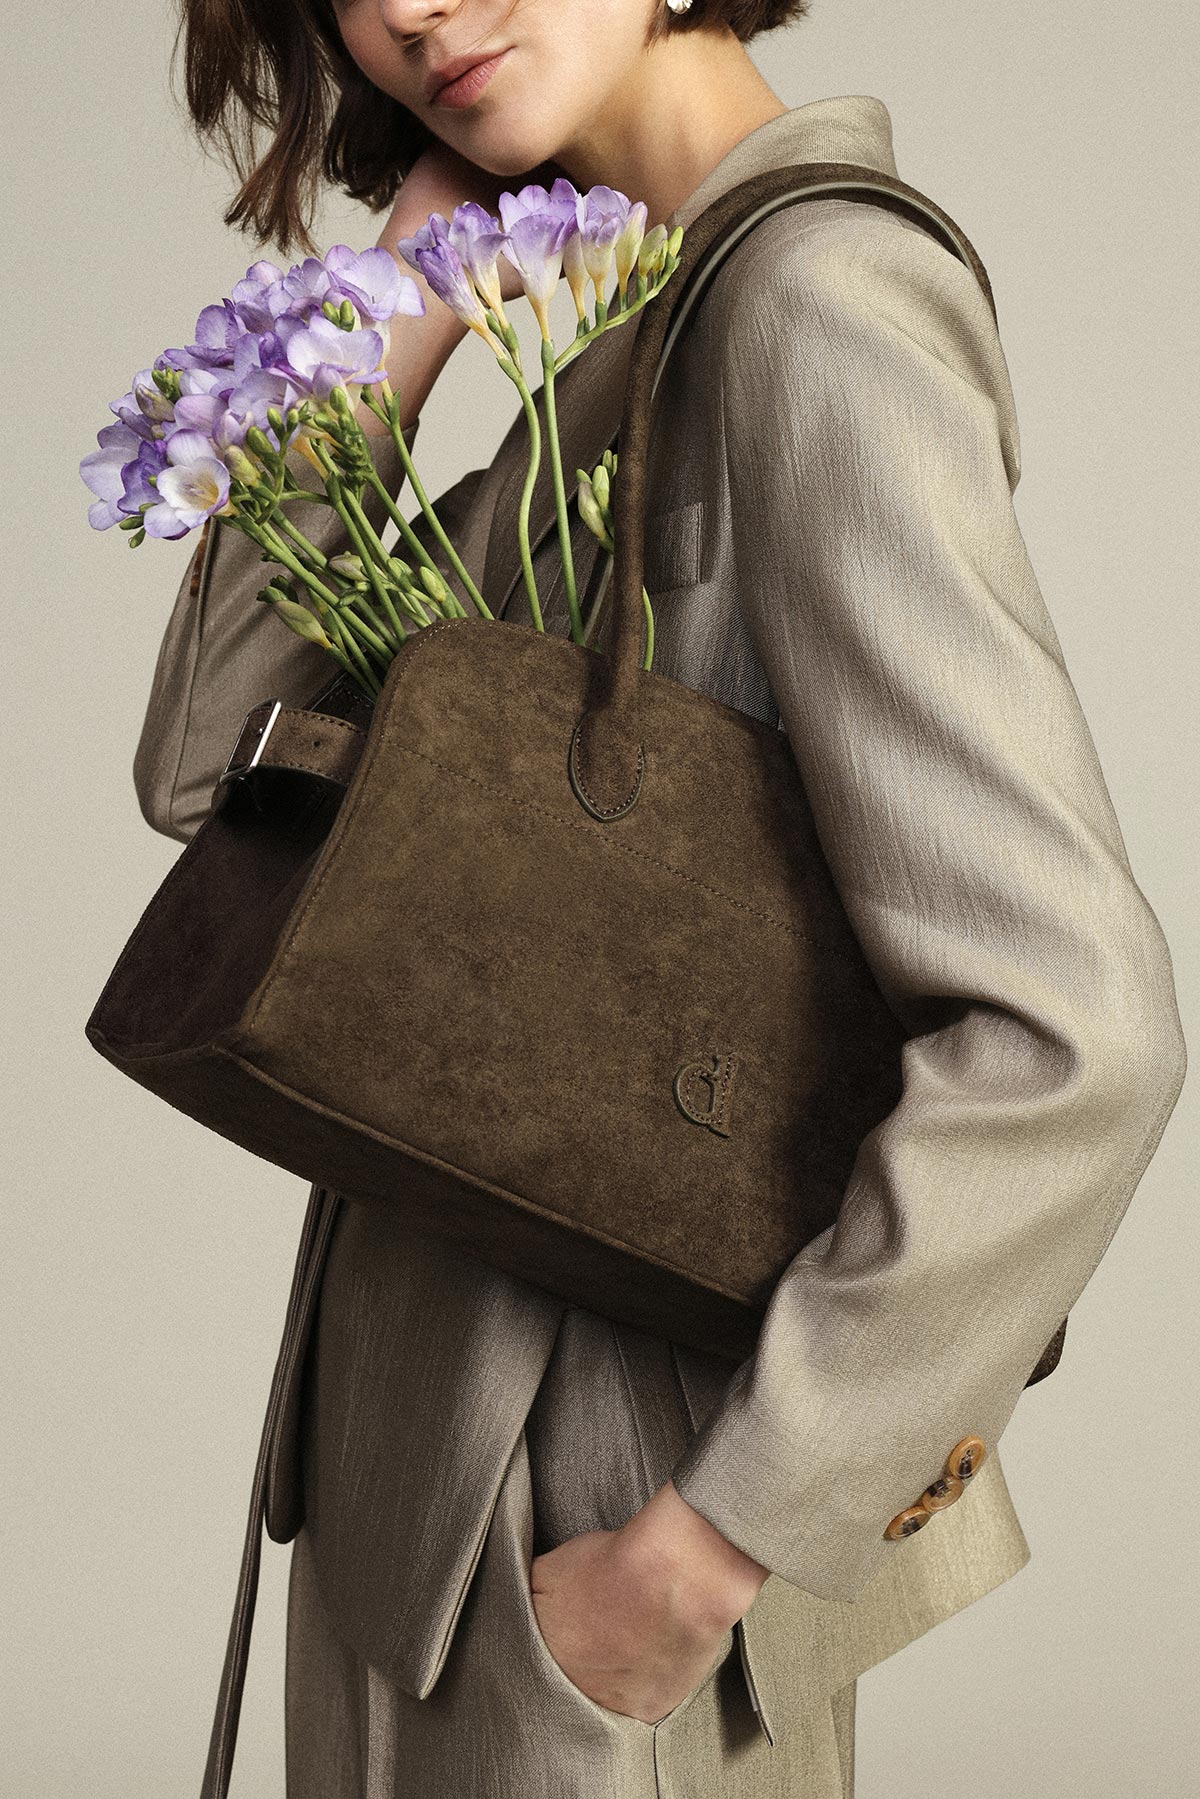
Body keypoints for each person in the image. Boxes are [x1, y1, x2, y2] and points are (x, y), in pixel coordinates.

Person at [133, 1, 1188, 1794]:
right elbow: (213, 760)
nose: (411, 7)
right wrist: (420, 274)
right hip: (434, 1523)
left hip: (582, 1535)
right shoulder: (638, 346)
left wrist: (698, 1559)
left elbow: (1074, 1027)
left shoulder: (819, 302)